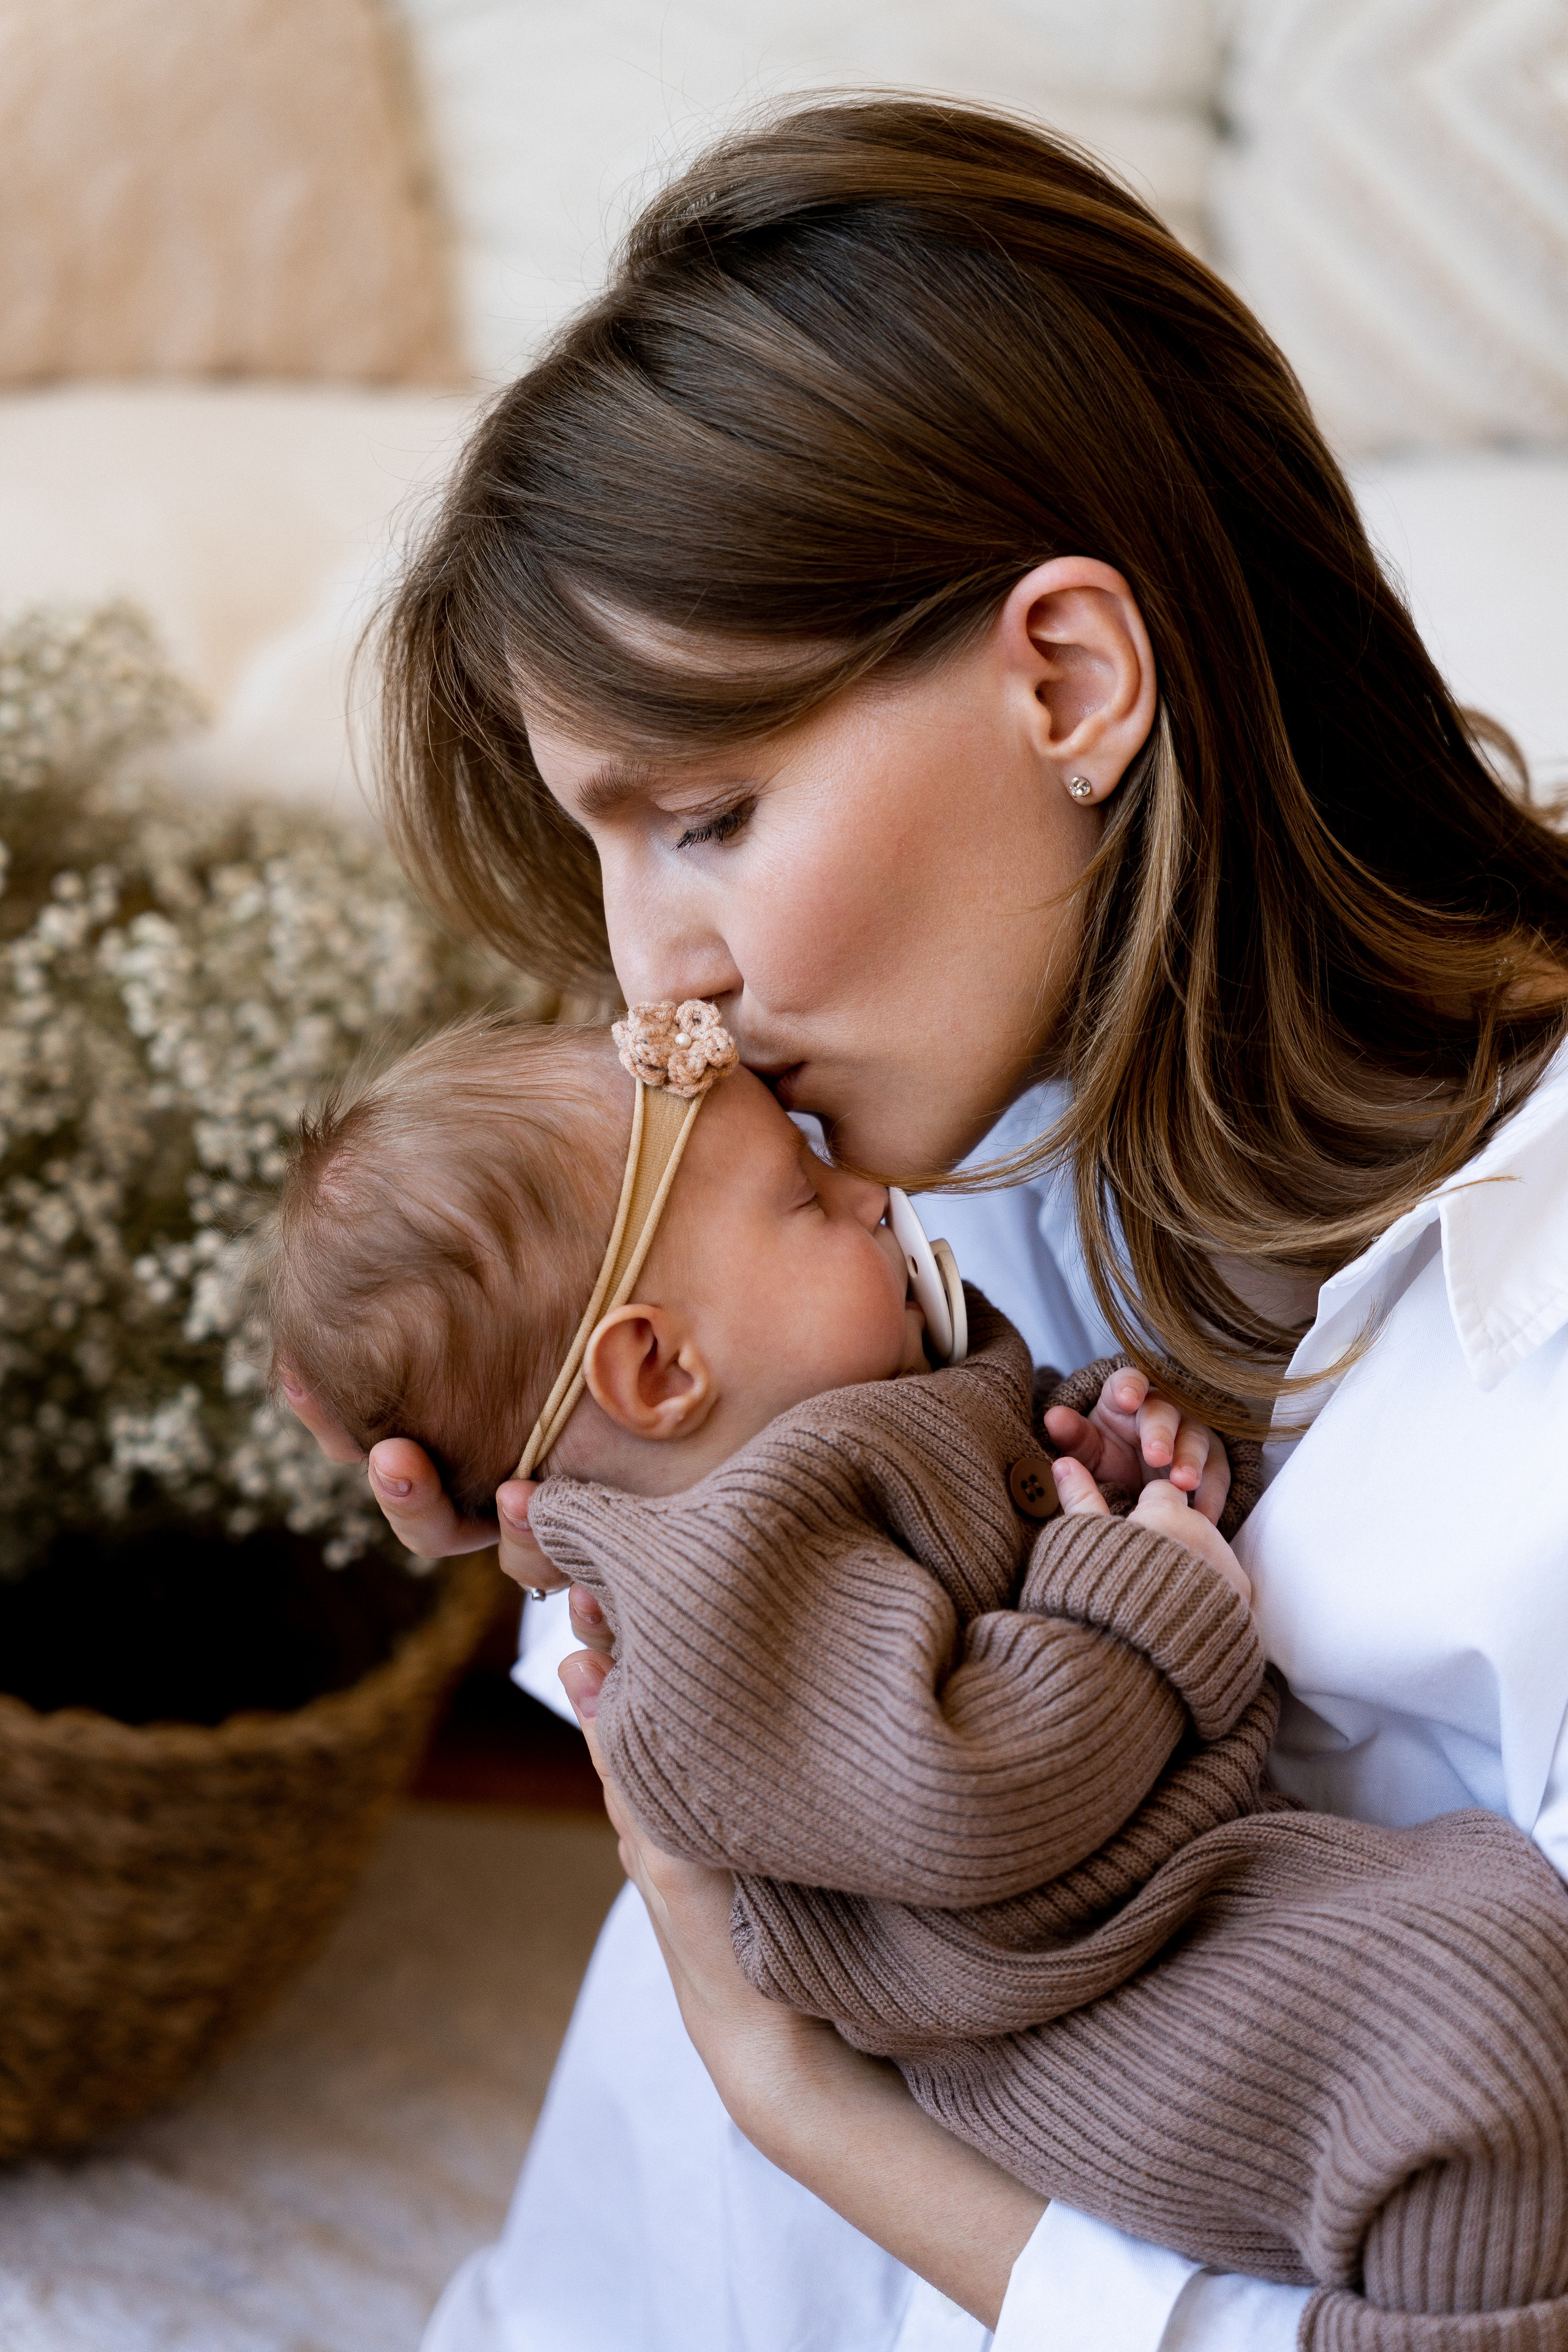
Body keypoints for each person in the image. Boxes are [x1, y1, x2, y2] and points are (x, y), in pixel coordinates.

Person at [285, 96, 1568, 2352]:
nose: (649, 978)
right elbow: (793, 1691)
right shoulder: (991, 1128)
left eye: (703, 815)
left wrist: (805, 2102)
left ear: (1069, 682)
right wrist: (601, 1487)